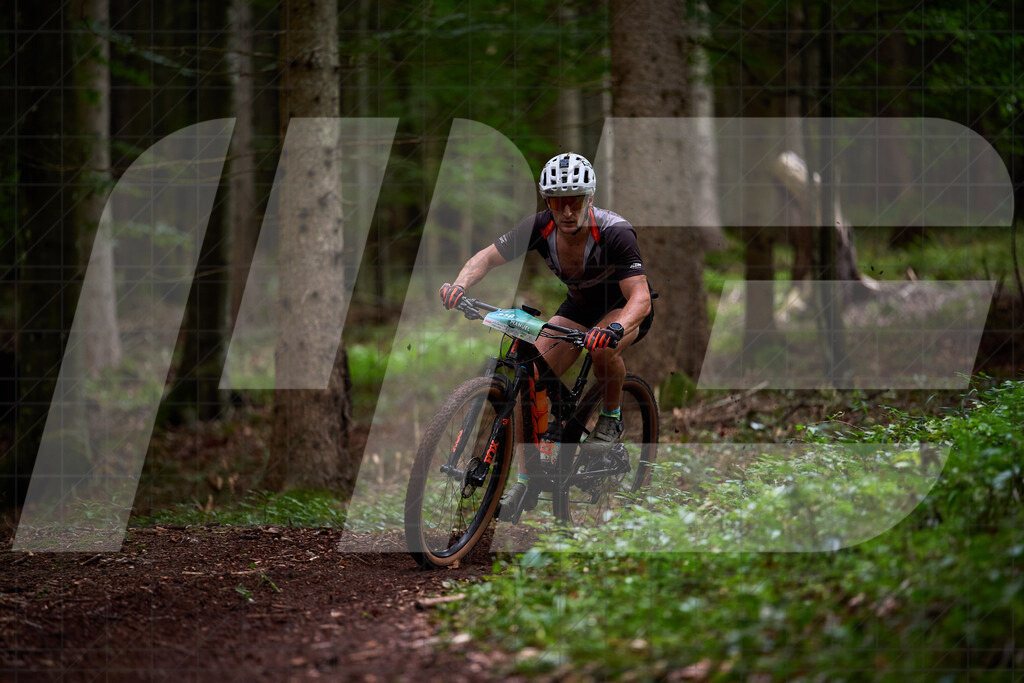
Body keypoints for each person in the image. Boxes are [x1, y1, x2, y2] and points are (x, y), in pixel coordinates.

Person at [438, 152, 654, 515]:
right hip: (580, 308)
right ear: (547, 200)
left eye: (575, 202)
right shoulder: (540, 226)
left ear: (590, 199)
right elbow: (486, 258)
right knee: (530, 376)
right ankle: (527, 481)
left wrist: (616, 328)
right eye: (557, 202)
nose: (566, 211)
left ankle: (611, 419)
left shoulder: (616, 231)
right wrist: (459, 285)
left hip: (622, 308)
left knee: (602, 349)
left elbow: (641, 296)